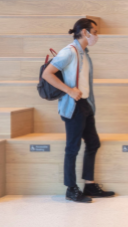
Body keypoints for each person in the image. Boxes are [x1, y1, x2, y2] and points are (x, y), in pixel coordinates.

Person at [40, 18, 116, 203]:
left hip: (85, 104)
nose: (96, 36)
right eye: (95, 32)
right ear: (84, 32)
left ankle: (89, 185)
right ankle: (71, 189)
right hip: (73, 106)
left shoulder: (84, 53)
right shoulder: (69, 52)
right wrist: (70, 91)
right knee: (72, 148)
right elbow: (47, 74)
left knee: (93, 143)